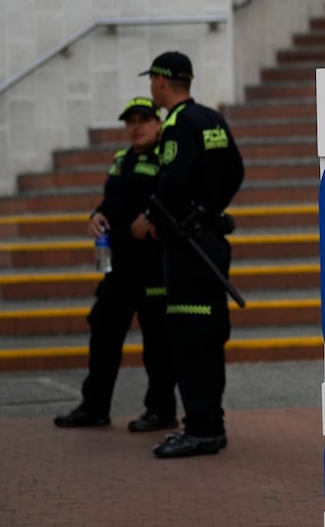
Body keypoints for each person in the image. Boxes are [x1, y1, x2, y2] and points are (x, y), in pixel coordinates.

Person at [132, 51, 245, 459]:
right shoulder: (212, 118)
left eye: (152, 81)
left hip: (188, 248)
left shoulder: (177, 124)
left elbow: (173, 181)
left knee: (189, 337)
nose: (151, 88)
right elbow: (236, 170)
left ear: (162, 81)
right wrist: (210, 209)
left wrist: (153, 216)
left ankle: (200, 428)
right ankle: (209, 425)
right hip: (211, 239)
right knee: (210, 335)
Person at [55, 97, 178, 431]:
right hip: (119, 264)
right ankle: (94, 407)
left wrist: (150, 219)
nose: (136, 127)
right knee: (104, 330)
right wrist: (96, 215)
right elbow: (111, 201)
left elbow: (172, 200)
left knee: (157, 341)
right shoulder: (121, 159)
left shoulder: (166, 159)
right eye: (130, 121)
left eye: (144, 120)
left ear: (159, 124)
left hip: (152, 264)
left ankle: (162, 410)